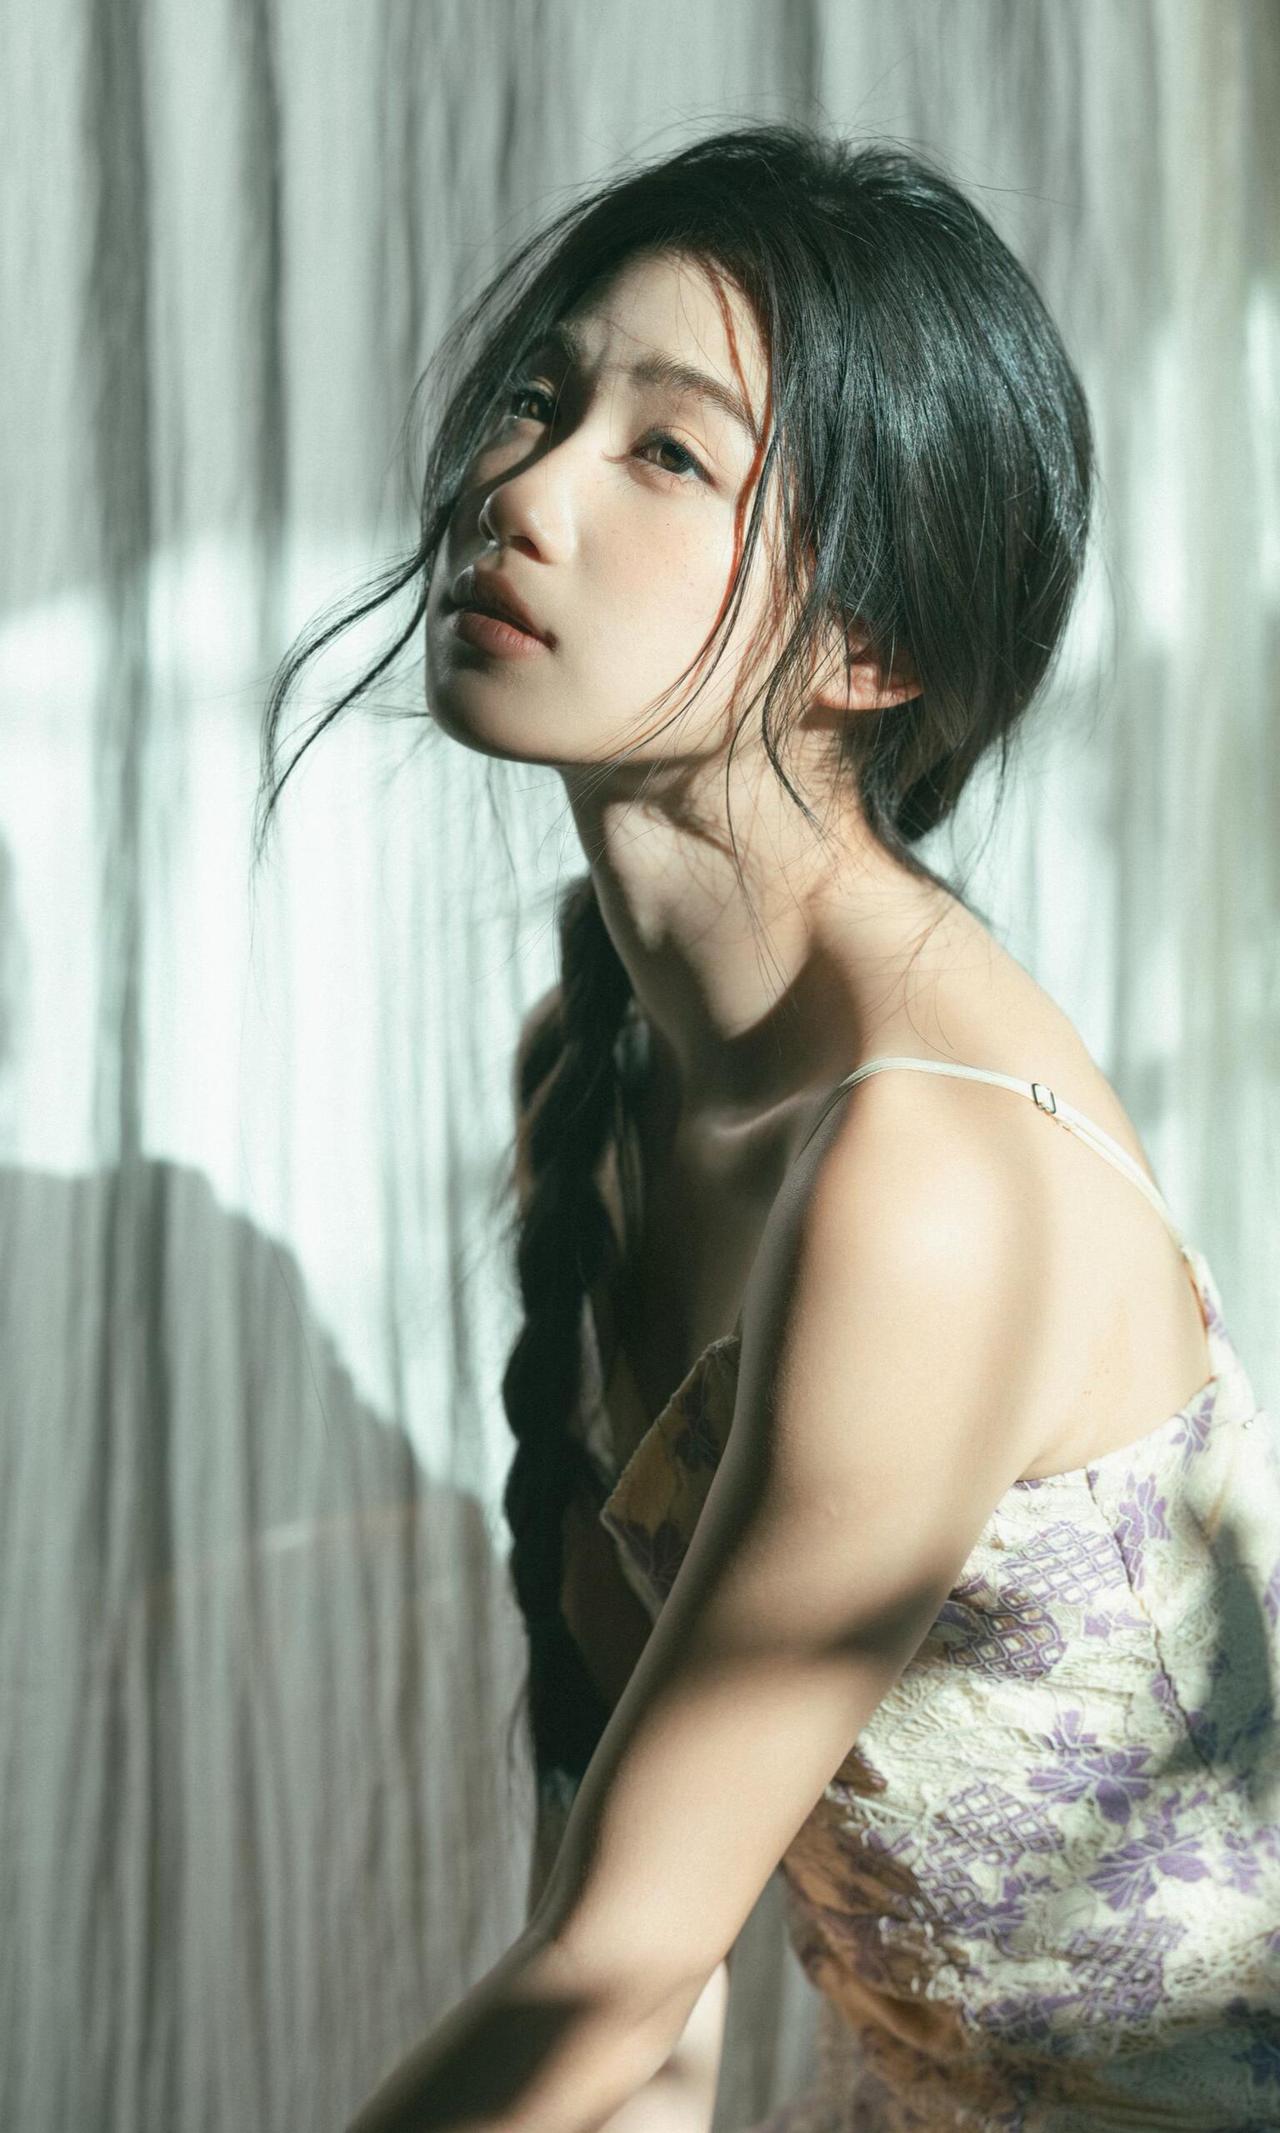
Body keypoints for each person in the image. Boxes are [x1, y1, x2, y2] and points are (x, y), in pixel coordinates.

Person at [255, 123, 1280, 2133]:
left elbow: (615, 1963)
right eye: (539, 398)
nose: (520, 488)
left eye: (667, 453)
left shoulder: (921, 1174)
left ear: (874, 647)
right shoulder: (610, 1075)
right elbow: (650, 1985)